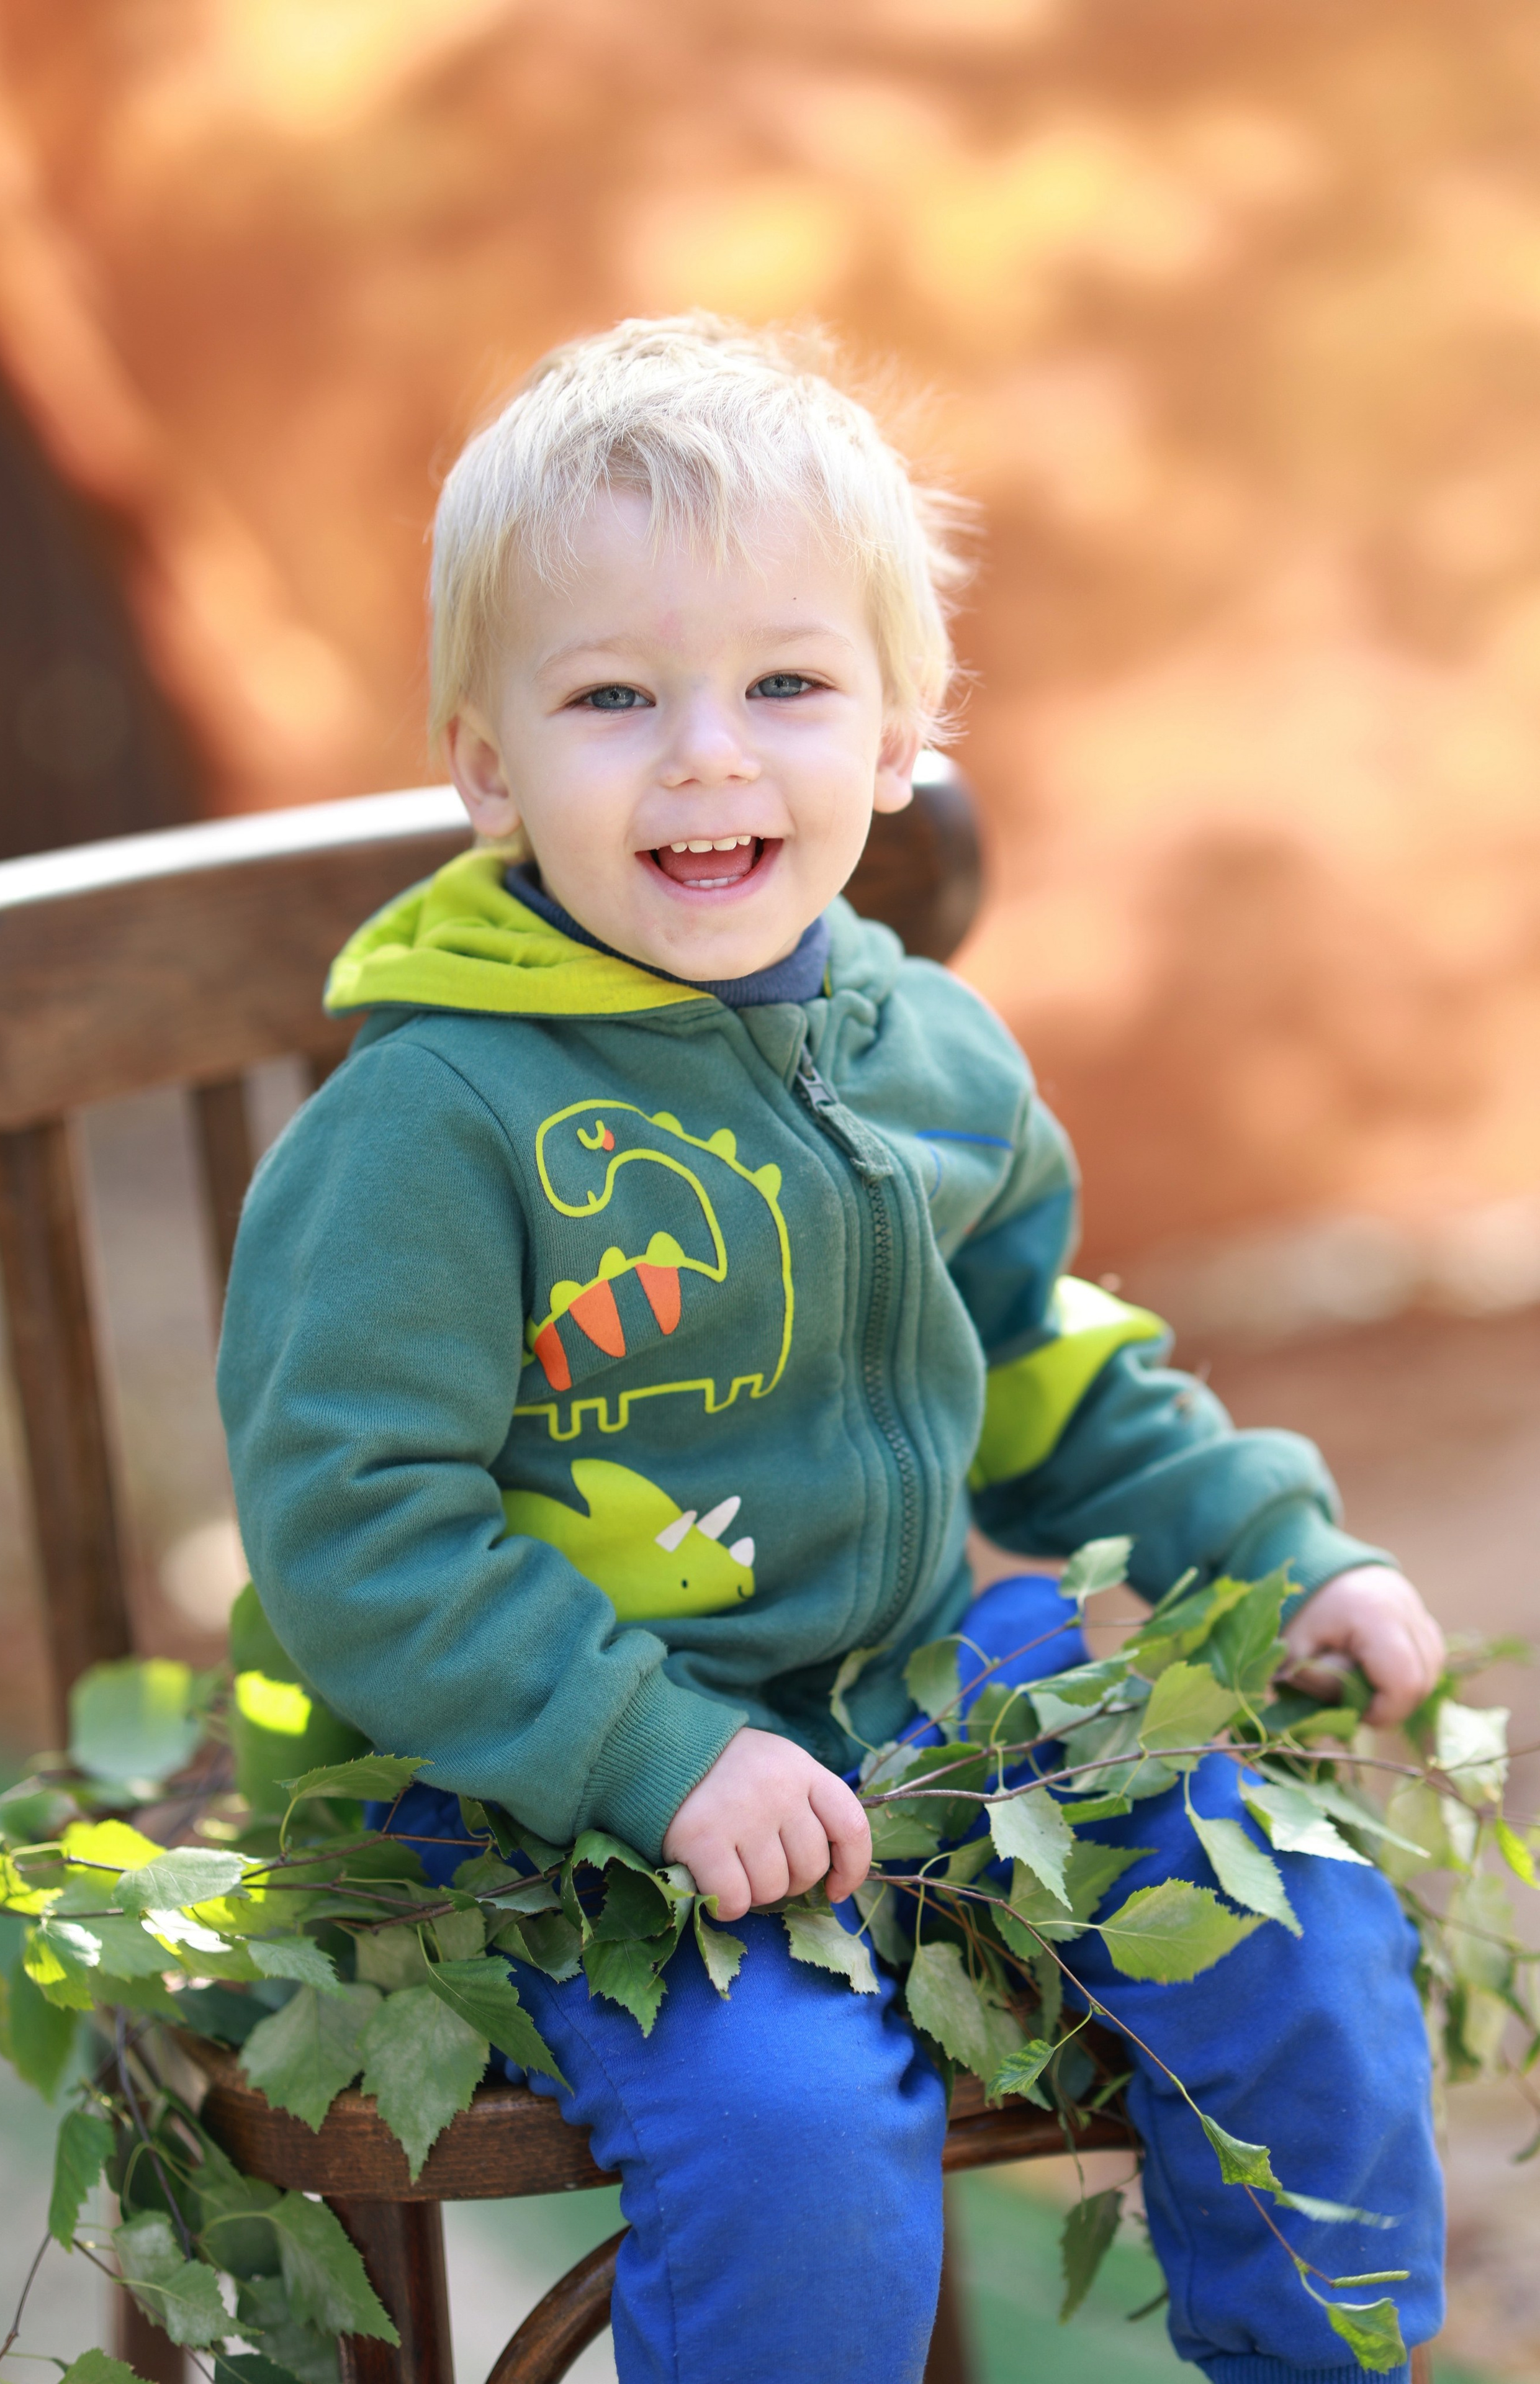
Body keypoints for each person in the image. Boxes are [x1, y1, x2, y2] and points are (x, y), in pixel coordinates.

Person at [217, 316, 1447, 2384]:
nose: (709, 752)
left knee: (1297, 1915)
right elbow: (357, 1528)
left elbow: (1044, 1357)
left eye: (786, 683)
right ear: (489, 762)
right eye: (616, 697)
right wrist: (653, 1754)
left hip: (911, 1706)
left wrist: (1273, 1543)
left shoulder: (933, 1054)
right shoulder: (433, 1130)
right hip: (546, 1783)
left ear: (900, 736)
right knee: (792, 2129)